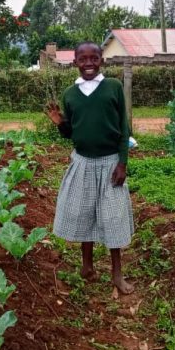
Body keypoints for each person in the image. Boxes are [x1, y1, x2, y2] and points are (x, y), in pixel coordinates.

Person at [46, 42, 134, 295]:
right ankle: (87, 267)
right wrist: (60, 123)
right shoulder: (70, 94)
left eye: (93, 58)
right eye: (82, 59)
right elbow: (71, 132)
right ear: (75, 62)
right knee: (84, 213)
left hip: (110, 163)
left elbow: (123, 128)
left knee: (113, 217)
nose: (88, 64)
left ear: (101, 61)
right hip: (83, 163)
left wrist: (122, 163)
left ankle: (117, 274)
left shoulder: (113, 87)